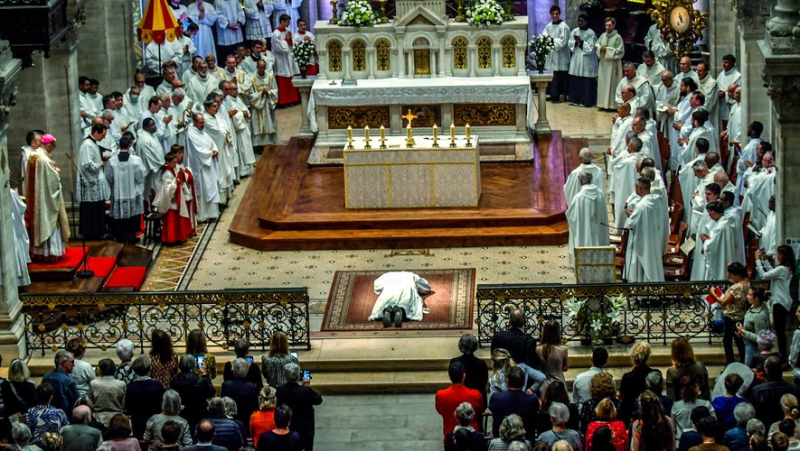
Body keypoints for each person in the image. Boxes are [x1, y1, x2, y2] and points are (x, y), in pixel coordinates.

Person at [27, 134, 70, 261]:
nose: (53, 149)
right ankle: (50, 253)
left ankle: (40, 252)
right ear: (48, 145)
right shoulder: (44, 160)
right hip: (47, 200)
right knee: (49, 222)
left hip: (37, 197)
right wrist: (56, 171)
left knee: (40, 222)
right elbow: (53, 181)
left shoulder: (33, 156)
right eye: (52, 146)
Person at [756, 245, 795, 362]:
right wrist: (764, 260)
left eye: (778, 254)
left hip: (779, 302)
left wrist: (758, 260)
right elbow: (771, 272)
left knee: (780, 332)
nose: (776, 256)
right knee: (780, 332)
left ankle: (783, 359)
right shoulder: (785, 268)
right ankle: (782, 356)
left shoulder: (782, 269)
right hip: (782, 302)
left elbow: (764, 275)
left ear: (782, 255)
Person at [624, 177, 666, 282]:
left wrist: (630, 216)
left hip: (642, 239)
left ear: (640, 188)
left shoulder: (641, 206)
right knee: (651, 262)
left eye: (636, 187)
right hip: (653, 238)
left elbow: (631, 224)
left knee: (641, 264)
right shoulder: (656, 201)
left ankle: (641, 290)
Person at [105, 136, 145, 244]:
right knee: (132, 216)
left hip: (118, 193)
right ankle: (131, 236)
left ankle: (120, 236)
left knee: (119, 218)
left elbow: (109, 178)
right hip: (132, 192)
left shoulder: (111, 161)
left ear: (119, 146)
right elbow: (140, 178)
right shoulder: (136, 160)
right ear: (129, 146)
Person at [707, 262, 749, 363]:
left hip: (731, 316)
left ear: (737, 275)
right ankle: (743, 361)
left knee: (729, 341)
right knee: (738, 341)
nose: (729, 276)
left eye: (731, 274)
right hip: (740, 314)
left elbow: (724, 302)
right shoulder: (746, 282)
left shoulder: (736, 287)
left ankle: (732, 362)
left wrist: (713, 294)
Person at [276, 362, 323, 451]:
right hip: (305, 427)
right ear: (298, 376)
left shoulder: (280, 390)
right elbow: (318, 400)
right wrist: (308, 387)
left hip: (288, 426)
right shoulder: (305, 391)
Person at [566, 171, 609, 266]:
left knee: (584, 238)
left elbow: (572, 217)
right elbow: (604, 214)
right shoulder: (600, 194)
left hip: (584, 232)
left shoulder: (578, 198)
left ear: (581, 181)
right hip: (598, 227)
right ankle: (599, 261)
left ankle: (584, 264)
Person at [76, 123, 110, 239]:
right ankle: (92, 233)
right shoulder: (87, 145)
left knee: (97, 208)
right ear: (96, 132)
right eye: (103, 135)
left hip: (95, 183)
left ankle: (98, 232)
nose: (104, 138)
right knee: (91, 210)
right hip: (90, 184)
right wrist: (100, 164)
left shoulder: (93, 143)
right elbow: (87, 165)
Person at [186, 112, 221, 223]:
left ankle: (212, 213)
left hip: (208, 165)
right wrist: (210, 154)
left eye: (203, 122)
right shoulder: (191, 134)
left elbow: (210, 141)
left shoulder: (201, 131)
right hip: (201, 167)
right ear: (194, 122)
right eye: (201, 123)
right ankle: (203, 215)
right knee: (203, 190)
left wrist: (215, 149)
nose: (203, 124)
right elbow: (198, 150)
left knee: (211, 187)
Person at [489, 366, 540, 441]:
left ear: (507, 381)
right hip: (526, 441)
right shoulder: (532, 399)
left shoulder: (496, 398)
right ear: (523, 382)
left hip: (501, 440)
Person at [436, 361, 484, 441]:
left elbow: (441, 411)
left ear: (450, 376)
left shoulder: (441, 395)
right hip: (472, 436)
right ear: (464, 376)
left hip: (451, 436)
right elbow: (480, 410)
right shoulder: (475, 395)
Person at [367, 271, 431, 327]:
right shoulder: (412, 275)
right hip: (407, 289)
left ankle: (386, 310)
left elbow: (376, 286)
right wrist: (418, 290)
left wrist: (381, 290)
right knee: (406, 304)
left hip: (389, 289)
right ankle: (401, 310)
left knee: (385, 302)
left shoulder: (386, 275)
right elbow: (426, 288)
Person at [170, 355, 215, 432]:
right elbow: (211, 393)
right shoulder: (200, 380)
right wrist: (206, 377)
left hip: (181, 413)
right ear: (193, 366)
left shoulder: (174, 380)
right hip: (198, 414)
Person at [750, 357, 800, 427]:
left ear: (766, 371)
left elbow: (754, 413)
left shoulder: (757, 391)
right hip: (789, 427)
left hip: (766, 427)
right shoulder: (794, 389)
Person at [125, 356, 166, 439]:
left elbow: (128, 408)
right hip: (155, 423)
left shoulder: (130, 387)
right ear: (149, 369)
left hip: (137, 424)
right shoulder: (157, 386)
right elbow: (162, 406)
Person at [222, 81, 255, 178]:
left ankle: (247, 169)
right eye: (233, 89)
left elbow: (245, 110)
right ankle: (241, 171)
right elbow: (232, 115)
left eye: (236, 89)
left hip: (244, 128)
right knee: (241, 151)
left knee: (246, 149)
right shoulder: (228, 100)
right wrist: (241, 114)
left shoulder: (238, 99)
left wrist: (245, 113)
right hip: (238, 131)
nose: (235, 91)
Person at [672, 376, 715, 445]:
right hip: (702, 441)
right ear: (696, 386)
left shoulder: (676, 406)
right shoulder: (706, 405)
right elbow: (714, 424)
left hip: (681, 443)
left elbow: (672, 428)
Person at [220, 358, 259, 432]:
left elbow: (223, 405)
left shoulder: (226, 385)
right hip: (247, 420)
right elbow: (255, 406)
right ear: (246, 371)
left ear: (233, 371)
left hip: (230, 421)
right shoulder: (252, 387)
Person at [619, 342, 654, 423]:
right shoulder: (654, 374)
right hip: (651, 413)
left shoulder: (627, 377)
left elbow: (623, 399)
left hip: (631, 414)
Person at [568, 14, 598, 108]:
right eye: (579, 21)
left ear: (586, 21)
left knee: (586, 81)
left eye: (582, 21)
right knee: (576, 79)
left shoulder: (591, 33)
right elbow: (570, 43)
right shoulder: (575, 31)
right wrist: (576, 42)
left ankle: (587, 101)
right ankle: (575, 100)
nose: (580, 23)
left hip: (587, 60)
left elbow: (591, 48)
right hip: (577, 57)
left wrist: (581, 42)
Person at [450, 334, 489, 406]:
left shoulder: (454, 362)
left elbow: (453, 378)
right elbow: (484, 381)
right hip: (478, 399)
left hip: (459, 398)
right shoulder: (481, 364)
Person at [249, 58, 279, 150]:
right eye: (260, 68)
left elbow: (275, 90)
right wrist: (260, 94)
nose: (262, 69)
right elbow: (250, 94)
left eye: (263, 67)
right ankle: (258, 145)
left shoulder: (270, 77)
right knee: (257, 124)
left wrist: (269, 93)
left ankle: (270, 142)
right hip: (257, 106)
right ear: (257, 67)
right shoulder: (252, 78)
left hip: (267, 104)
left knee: (269, 122)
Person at [542, 6, 570, 102]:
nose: (554, 15)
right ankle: (553, 94)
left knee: (560, 75)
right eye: (553, 14)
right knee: (552, 75)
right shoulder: (549, 26)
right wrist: (548, 40)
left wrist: (552, 40)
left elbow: (563, 42)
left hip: (561, 55)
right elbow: (544, 36)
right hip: (552, 55)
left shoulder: (564, 26)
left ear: (559, 14)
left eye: (556, 13)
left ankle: (561, 95)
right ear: (550, 14)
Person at [272, 14, 300, 107]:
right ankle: (284, 102)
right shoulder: (276, 33)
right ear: (282, 21)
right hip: (281, 59)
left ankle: (293, 99)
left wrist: (290, 40)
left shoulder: (288, 30)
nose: (289, 24)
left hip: (289, 58)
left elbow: (293, 42)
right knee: (283, 77)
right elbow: (279, 47)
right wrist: (287, 40)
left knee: (291, 76)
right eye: (287, 22)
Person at [595, 17, 624, 110]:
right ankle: (602, 104)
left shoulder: (618, 37)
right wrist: (601, 49)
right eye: (606, 25)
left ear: (614, 25)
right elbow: (597, 46)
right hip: (603, 64)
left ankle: (612, 105)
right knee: (603, 83)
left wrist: (607, 49)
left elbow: (620, 51)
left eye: (610, 25)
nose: (607, 27)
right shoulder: (603, 36)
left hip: (613, 64)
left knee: (613, 85)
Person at [87, 359, 125, 427]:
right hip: (117, 419)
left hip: (97, 418)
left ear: (100, 370)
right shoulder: (121, 384)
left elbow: (90, 402)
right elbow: (123, 404)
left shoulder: (93, 384)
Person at [41, 351, 78, 415]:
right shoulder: (68, 381)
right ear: (64, 363)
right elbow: (76, 401)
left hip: (46, 414)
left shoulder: (46, 376)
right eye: (72, 362)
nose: (74, 365)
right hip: (65, 417)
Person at [536, 320, 568, 393]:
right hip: (559, 382)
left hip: (544, 383)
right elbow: (565, 368)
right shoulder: (563, 350)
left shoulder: (538, 349)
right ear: (558, 332)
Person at [716, 55, 741, 126]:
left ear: (732, 63)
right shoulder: (721, 74)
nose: (724, 64)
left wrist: (725, 94)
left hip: (732, 105)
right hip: (721, 105)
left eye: (726, 62)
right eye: (723, 62)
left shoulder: (738, 76)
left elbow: (739, 92)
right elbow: (717, 86)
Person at [19, 130, 43, 197]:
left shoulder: (35, 151)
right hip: (33, 186)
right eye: (39, 141)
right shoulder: (28, 155)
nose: (41, 143)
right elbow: (31, 173)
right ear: (33, 142)